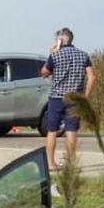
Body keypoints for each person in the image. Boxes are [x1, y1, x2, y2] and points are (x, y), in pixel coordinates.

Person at [40, 28, 95, 170]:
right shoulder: (83, 55)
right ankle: (70, 163)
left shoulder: (56, 55)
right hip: (75, 98)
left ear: (59, 40)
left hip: (56, 98)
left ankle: (51, 163)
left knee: (52, 130)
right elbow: (92, 77)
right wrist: (86, 97)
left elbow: (44, 73)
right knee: (71, 130)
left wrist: (50, 54)